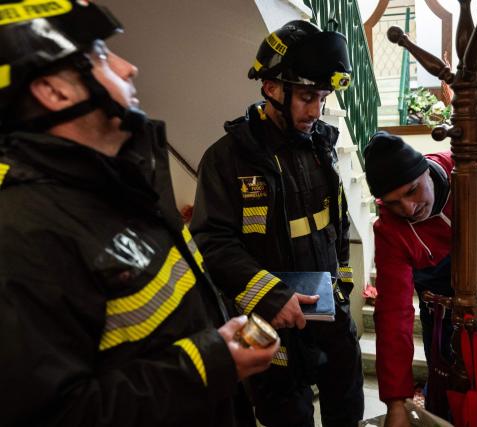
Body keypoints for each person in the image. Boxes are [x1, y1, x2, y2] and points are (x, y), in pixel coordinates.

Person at [0, 2, 278, 425]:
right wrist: (207, 364)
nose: (128, 67)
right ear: (55, 91)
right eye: (99, 56)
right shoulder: (21, 235)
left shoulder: (125, 181)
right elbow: (56, 415)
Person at [190, 20, 364, 427]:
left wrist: (342, 290)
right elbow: (213, 241)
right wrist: (270, 296)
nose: (316, 111)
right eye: (306, 97)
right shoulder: (228, 158)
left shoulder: (322, 146)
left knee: (346, 410)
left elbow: (334, 226)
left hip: (328, 317)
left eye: (323, 98)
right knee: (287, 417)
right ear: (271, 88)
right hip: (266, 323)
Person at [363, 131, 477, 427]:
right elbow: (393, 315)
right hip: (443, 307)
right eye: (394, 203)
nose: (408, 210)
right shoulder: (389, 230)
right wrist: (396, 400)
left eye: (412, 191)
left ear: (425, 169)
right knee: (447, 382)